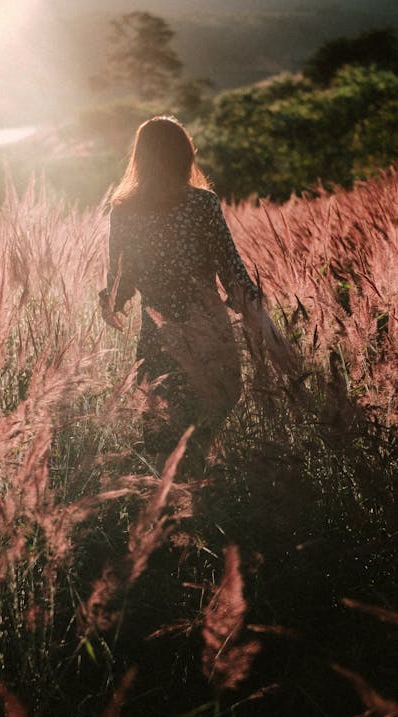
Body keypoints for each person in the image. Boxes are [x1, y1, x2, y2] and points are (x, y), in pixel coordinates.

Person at [99, 115, 259, 473]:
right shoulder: (202, 203)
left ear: (141, 158)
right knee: (217, 397)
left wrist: (111, 302)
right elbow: (230, 266)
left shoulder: (125, 210)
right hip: (207, 323)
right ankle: (197, 478)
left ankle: (171, 502)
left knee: (161, 414)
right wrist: (252, 308)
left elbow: (120, 277)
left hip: (157, 331)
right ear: (184, 154)